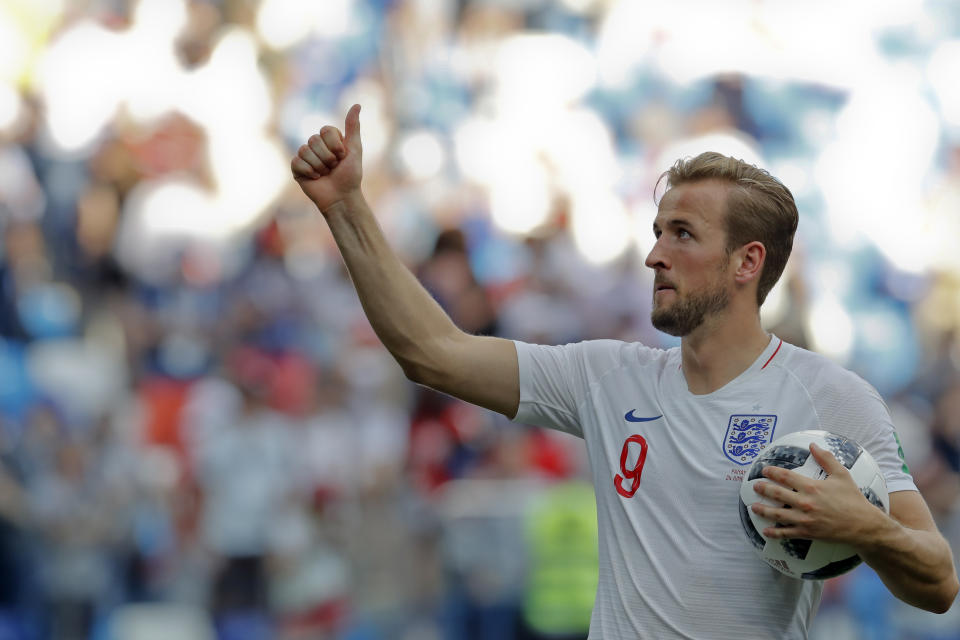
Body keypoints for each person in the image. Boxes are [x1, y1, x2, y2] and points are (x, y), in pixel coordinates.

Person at [290, 105, 959, 639]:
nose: (653, 256)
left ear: (747, 262)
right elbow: (431, 351)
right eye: (658, 230)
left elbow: (940, 583)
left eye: (683, 235)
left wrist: (867, 527)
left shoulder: (832, 398)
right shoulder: (608, 379)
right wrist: (344, 206)